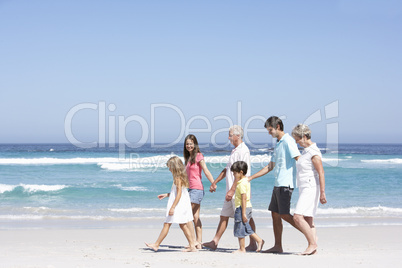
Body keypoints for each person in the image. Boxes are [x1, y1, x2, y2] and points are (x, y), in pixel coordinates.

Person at [248, 116, 301, 253]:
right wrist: (251, 177)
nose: (269, 133)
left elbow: (299, 159)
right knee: (275, 215)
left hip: (286, 184)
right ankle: (278, 246)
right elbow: (270, 166)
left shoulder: (288, 141)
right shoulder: (278, 143)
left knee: (284, 215)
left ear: (277, 127)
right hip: (278, 183)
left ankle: (310, 235)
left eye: (270, 130)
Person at [203, 125, 258, 251]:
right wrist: (215, 182)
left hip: (238, 191)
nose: (228, 137)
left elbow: (241, 174)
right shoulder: (235, 150)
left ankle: (254, 242)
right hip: (231, 191)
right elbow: (227, 169)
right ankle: (214, 241)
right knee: (224, 216)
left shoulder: (243, 151)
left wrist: (233, 190)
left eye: (230, 135)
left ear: (237, 136)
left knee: (246, 216)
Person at [145, 156, 197, 252]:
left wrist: (173, 207)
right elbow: (177, 193)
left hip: (178, 205)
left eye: (170, 167)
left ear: (174, 167)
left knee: (167, 224)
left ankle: (156, 244)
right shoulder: (179, 177)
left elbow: (179, 195)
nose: (169, 169)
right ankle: (192, 245)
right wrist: (167, 194)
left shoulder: (177, 178)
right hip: (181, 204)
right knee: (182, 225)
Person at [291, 124, 327, 255]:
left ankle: (312, 244)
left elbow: (321, 173)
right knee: (308, 219)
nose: (296, 142)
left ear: (304, 137)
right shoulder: (306, 151)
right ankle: (313, 249)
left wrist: (322, 193)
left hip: (311, 187)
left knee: (297, 217)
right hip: (304, 186)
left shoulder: (313, 152)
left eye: (297, 139)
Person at [183, 134, 215, 249]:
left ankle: (192, 242)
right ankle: (198, 243)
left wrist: (213, 182)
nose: (189, 146)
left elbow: (205, 170)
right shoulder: (188, 158)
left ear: (194, 144)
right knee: (195, 217)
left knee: (187, 216)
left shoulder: (198, 156)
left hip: (197, 189)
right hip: (190, 189)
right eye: (187, 144)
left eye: (191, 143)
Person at [231, 161, 265, 253]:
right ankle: (259, 240)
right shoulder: (246, 180)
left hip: (242, 208)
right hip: (248, 207)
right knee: (246, 227)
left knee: (240, 227)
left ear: (241, 172)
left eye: (234, 173)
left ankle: (242, 248)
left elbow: (244, 198)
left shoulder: (241, 183)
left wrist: (243, 213)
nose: (233, 175)